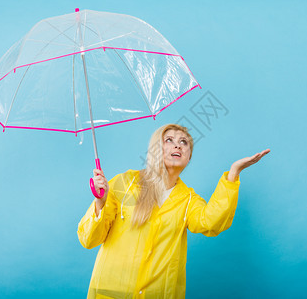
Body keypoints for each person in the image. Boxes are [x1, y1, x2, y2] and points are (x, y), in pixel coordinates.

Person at [77, 123, 270, 298]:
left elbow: (211, 222)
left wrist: (234, 173)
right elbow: (88, 239)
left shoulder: (187, 199)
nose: (177, 145)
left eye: (184, 142)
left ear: (189, 156)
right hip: (113, 291)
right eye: (169, 140)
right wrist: (100, 203)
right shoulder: (124, 183)